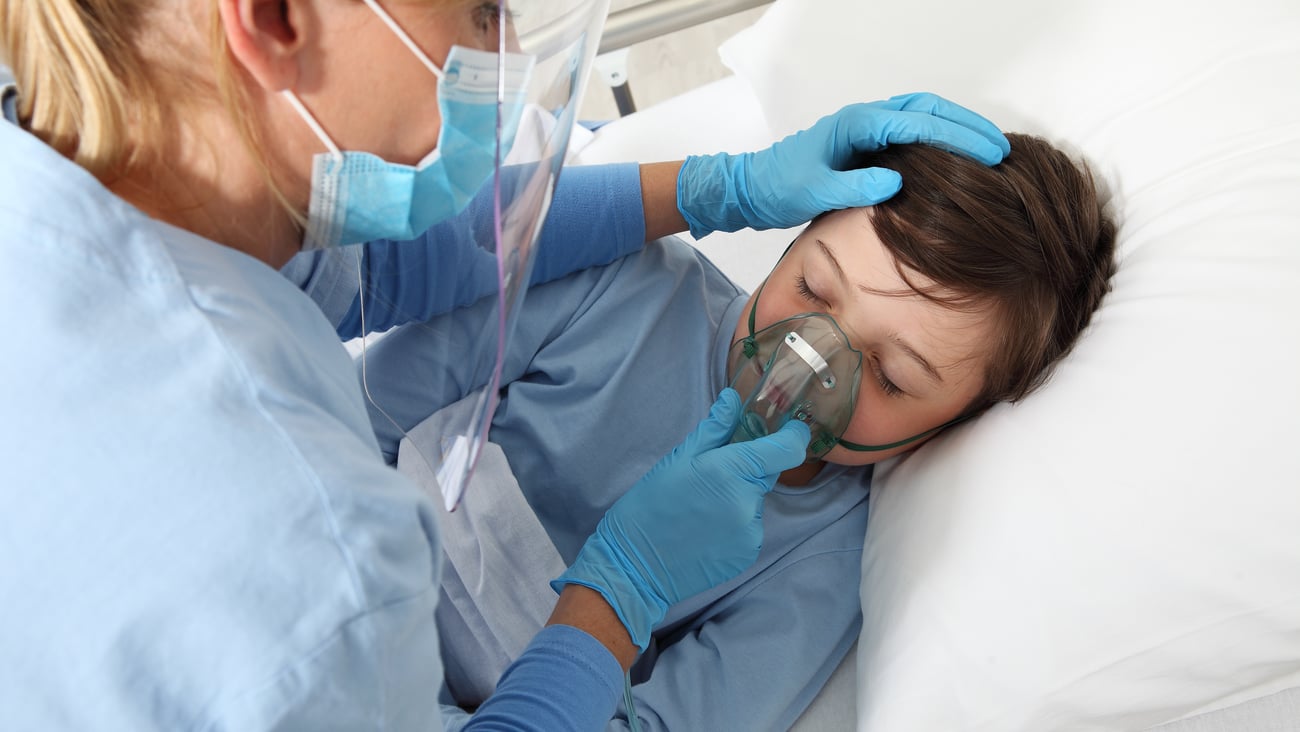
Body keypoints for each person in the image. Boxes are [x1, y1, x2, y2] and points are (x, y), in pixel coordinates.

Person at [0, 1, 1012, 730]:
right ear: (269, 20)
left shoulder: (93, 206)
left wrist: (722, 185)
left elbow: (393, 263)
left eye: (888, 375)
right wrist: (622, 588)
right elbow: (392, 383)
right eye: (482, 12)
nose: (812, 358)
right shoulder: (314, 564)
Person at [352, 133, 1118, 730]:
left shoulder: (820, 565)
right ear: (791, 238)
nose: (811, 356)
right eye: (813, 287)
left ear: (948, 430)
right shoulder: (622, 284)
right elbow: (351, 421)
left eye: (890, 377)